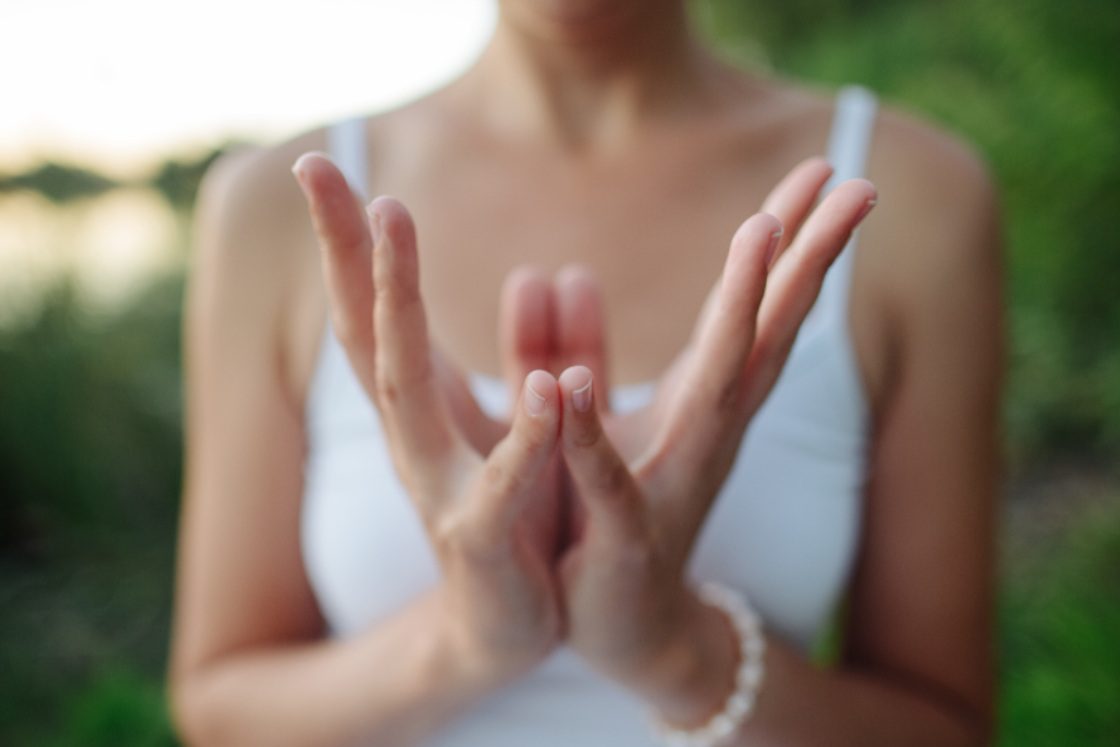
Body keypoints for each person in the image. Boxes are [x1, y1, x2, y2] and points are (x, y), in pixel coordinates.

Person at [168, 2, 1003, 745]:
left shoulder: (919, 197)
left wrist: (677, 650)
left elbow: (945, 723)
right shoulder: (268, 210)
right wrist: (462, 640)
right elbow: (218, 706)